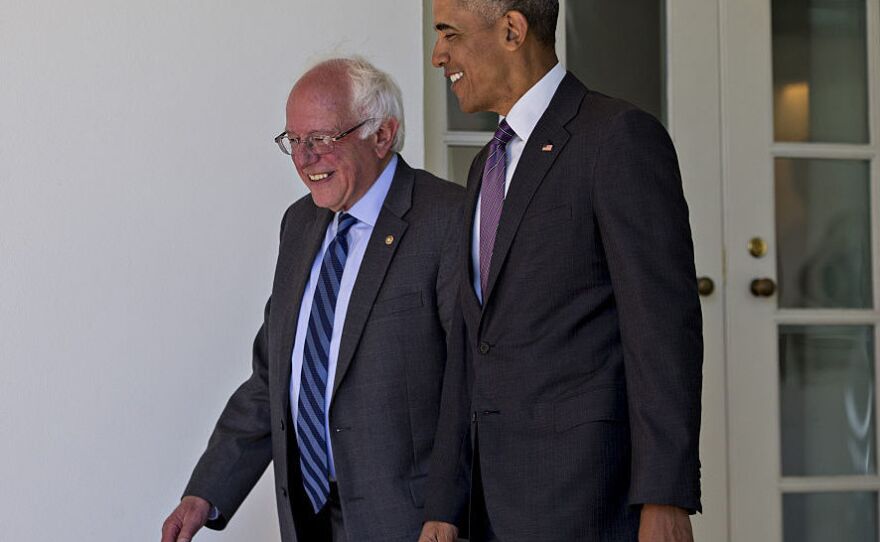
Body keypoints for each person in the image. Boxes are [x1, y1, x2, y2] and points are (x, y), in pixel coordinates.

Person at [420, 1, 703, 541]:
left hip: (588, 501)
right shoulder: (486, 165)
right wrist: (444, 503)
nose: (439, 55)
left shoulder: (617, 137)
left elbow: (662, 329)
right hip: (490, 506)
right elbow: (469, 344)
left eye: (449, 34)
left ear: (512, 30)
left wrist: (665, 497)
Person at [161, 56, 463, 542]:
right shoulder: (299, 224)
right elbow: (273, 377)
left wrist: (448, 511)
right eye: (294, 141)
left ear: (382, 135)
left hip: (412, 524)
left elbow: (472, 388)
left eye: (321, 140)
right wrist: (206, 492)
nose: (303, 160)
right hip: (308, 518)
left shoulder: (448, 220)